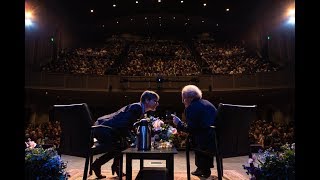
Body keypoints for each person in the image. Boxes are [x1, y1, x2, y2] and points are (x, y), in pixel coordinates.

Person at [91, 90, 160, 179]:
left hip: (107, 128)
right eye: (155, 101)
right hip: (104, 129)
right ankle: (102, 165)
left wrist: (133, 137)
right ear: (147, 100)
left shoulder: (139, 108)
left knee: (123, 145)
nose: (157, 104)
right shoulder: (137, 107)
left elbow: (127, 125)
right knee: (120, 146)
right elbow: (124, 124)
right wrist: (133, 138)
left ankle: (111, 166)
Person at [171, 85, 217, 178]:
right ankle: (202, 168)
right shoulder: (208, 103)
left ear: (189, 98)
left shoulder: (191, 107)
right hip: (218, 141)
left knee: (194, 137)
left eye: (183, 99)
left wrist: (178, 123)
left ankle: (203, 168)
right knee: (201, 134)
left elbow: (191, 129)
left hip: (205, 144)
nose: (183, 101)